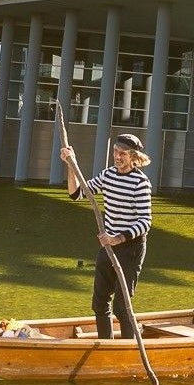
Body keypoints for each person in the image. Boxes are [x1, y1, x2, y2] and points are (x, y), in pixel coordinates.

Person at [60, 133, 152, 340]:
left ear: (134, 157)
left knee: (122, 307)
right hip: (109, 247)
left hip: (131, 248)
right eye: (115, 152)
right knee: (99, 302)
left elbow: (145, 222)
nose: (117, 157)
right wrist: (70, 164)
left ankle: (129, 349)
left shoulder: (141, 182)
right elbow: (77, 194)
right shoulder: (108, 175)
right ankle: (106, 345)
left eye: (123, 153)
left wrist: (117, 238)